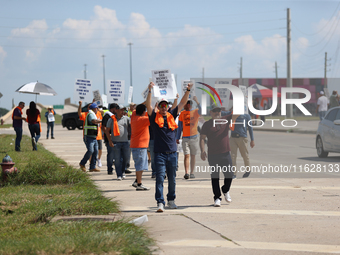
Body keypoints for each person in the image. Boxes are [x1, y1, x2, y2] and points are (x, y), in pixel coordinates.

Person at [146, 82, 193, 213]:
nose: (163, 107)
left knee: (172, 179)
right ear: (159, 107)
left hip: (172, 153)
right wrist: (150, 90)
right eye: (161, 105)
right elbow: (148, 106)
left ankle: (171, 200)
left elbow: (182, 103)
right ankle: (160, 202)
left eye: (165, 105)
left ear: (167, 106)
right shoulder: (154, 117)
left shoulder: (172, 114)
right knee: (160, 178)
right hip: (159, 154)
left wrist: (188, 90)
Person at [199, 104, 238, 207]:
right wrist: (202, 151)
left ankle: (225, 190)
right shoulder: (207, 125)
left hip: (225, 153)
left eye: (218, 111)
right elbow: (202, 138)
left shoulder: (226, 119)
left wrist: (240, 100)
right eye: (214, 111)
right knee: (215, 177)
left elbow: (237, 113)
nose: (217, 112)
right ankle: (217, 198)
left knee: (229, 175)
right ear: (210, 112)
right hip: (213, 155)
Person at [176, 96, 201, 179]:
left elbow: (202, 111)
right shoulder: (182, 114)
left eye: (185, 104)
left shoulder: (195, 112)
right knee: (187, 155)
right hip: (185, 138)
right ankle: (186, 172)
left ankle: (192, 172)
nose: (184, 105)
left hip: (194, 137)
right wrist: (177, 137)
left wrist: (197, 102)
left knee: (193, 155)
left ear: (189, 105)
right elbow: (179, 127)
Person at [105, 104, 130, 181]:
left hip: (126, 142)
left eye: (124, 110)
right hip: (116, 142)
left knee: (126, 159)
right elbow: (106, 130)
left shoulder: (126, 119)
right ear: (117, 110)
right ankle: (119, 174)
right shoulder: (111, 119)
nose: (123, 111)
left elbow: (132, 127)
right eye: (122, 110)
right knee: (117, 159)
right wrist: (110, 141)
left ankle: (123, 172)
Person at [130, 104, 151, 191]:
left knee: (141, 165)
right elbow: (153, 116)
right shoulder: (142, 119)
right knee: (140, 166)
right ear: (143, 112)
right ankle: (139, 184)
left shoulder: (133, 117)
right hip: (140, 146)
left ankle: (136, 181)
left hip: (137, 145)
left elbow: (136, 110)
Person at [229, 113, 255, 178]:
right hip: (233, 138)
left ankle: (248, 170)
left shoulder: (246, 115)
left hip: (242, 138)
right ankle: (233, 173)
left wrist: (252, 140)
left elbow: (250, 127)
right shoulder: (232, 114)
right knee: (232, 156)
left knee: (245, 155)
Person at [79, 103, 101, 172]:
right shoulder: (91, 114)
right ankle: (82, 163)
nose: (97, 109)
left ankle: (92, 167)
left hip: (93, 137)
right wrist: (102, 121)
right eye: (97, 108)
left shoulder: (93, 114)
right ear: (94, 109)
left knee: (95, 151)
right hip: (88, 137)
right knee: (91, 151)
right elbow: (93, 121)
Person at [102, 103, 119, 175]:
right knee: (111, 154)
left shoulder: (116, 116)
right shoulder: (107, 116)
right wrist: (108, 136)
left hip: (117, 138)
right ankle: (109, 169)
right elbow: (103, 127)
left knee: (117, 155)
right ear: (112, 109)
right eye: (116, 109)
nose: (117, 110)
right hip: (109, 139)